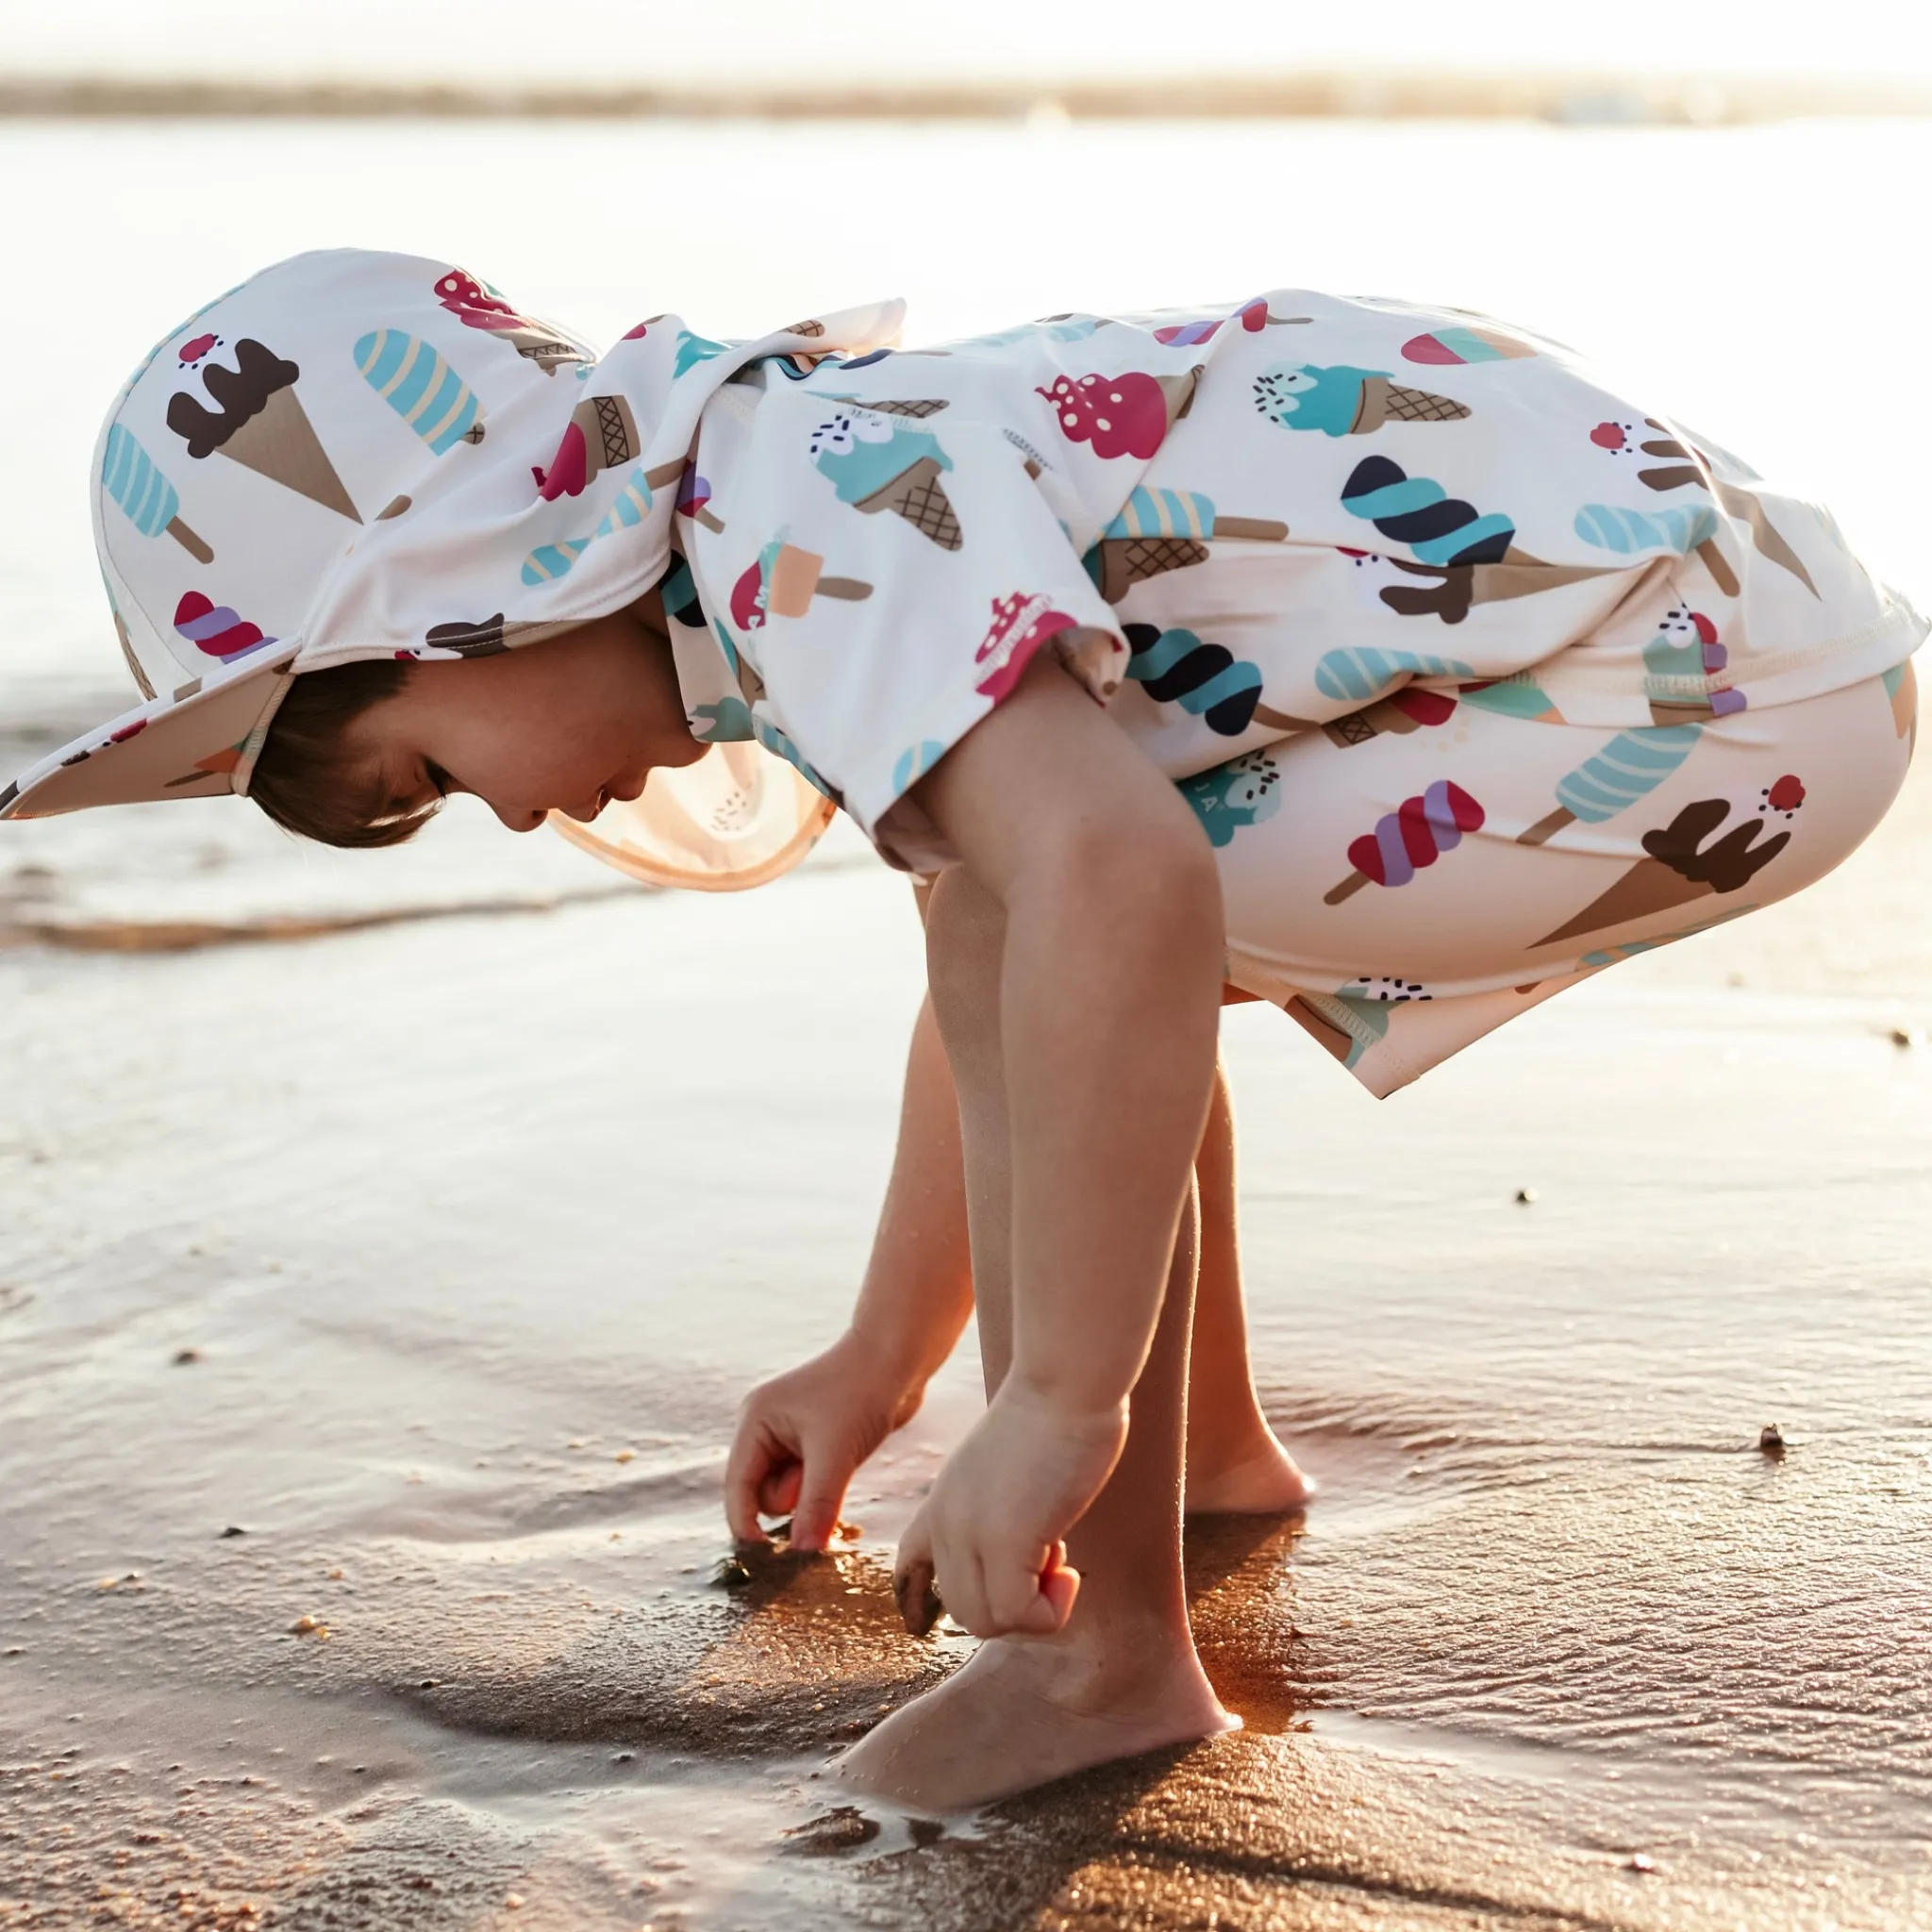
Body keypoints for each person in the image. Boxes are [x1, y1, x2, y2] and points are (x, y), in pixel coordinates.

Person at [6, 249, 1918, 1812]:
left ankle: (1102, 1660)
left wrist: (1053, 1400)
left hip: (1701, 701)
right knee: (1034, 908)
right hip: (1722, 645)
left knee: (1073, 904)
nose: (506, 818)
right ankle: (1207, 1455)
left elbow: (1102, 894)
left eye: (431, 771)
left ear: (460, 598)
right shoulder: (789, 484)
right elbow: (1015, 938)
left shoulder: (798, 528)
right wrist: (885, 1351)